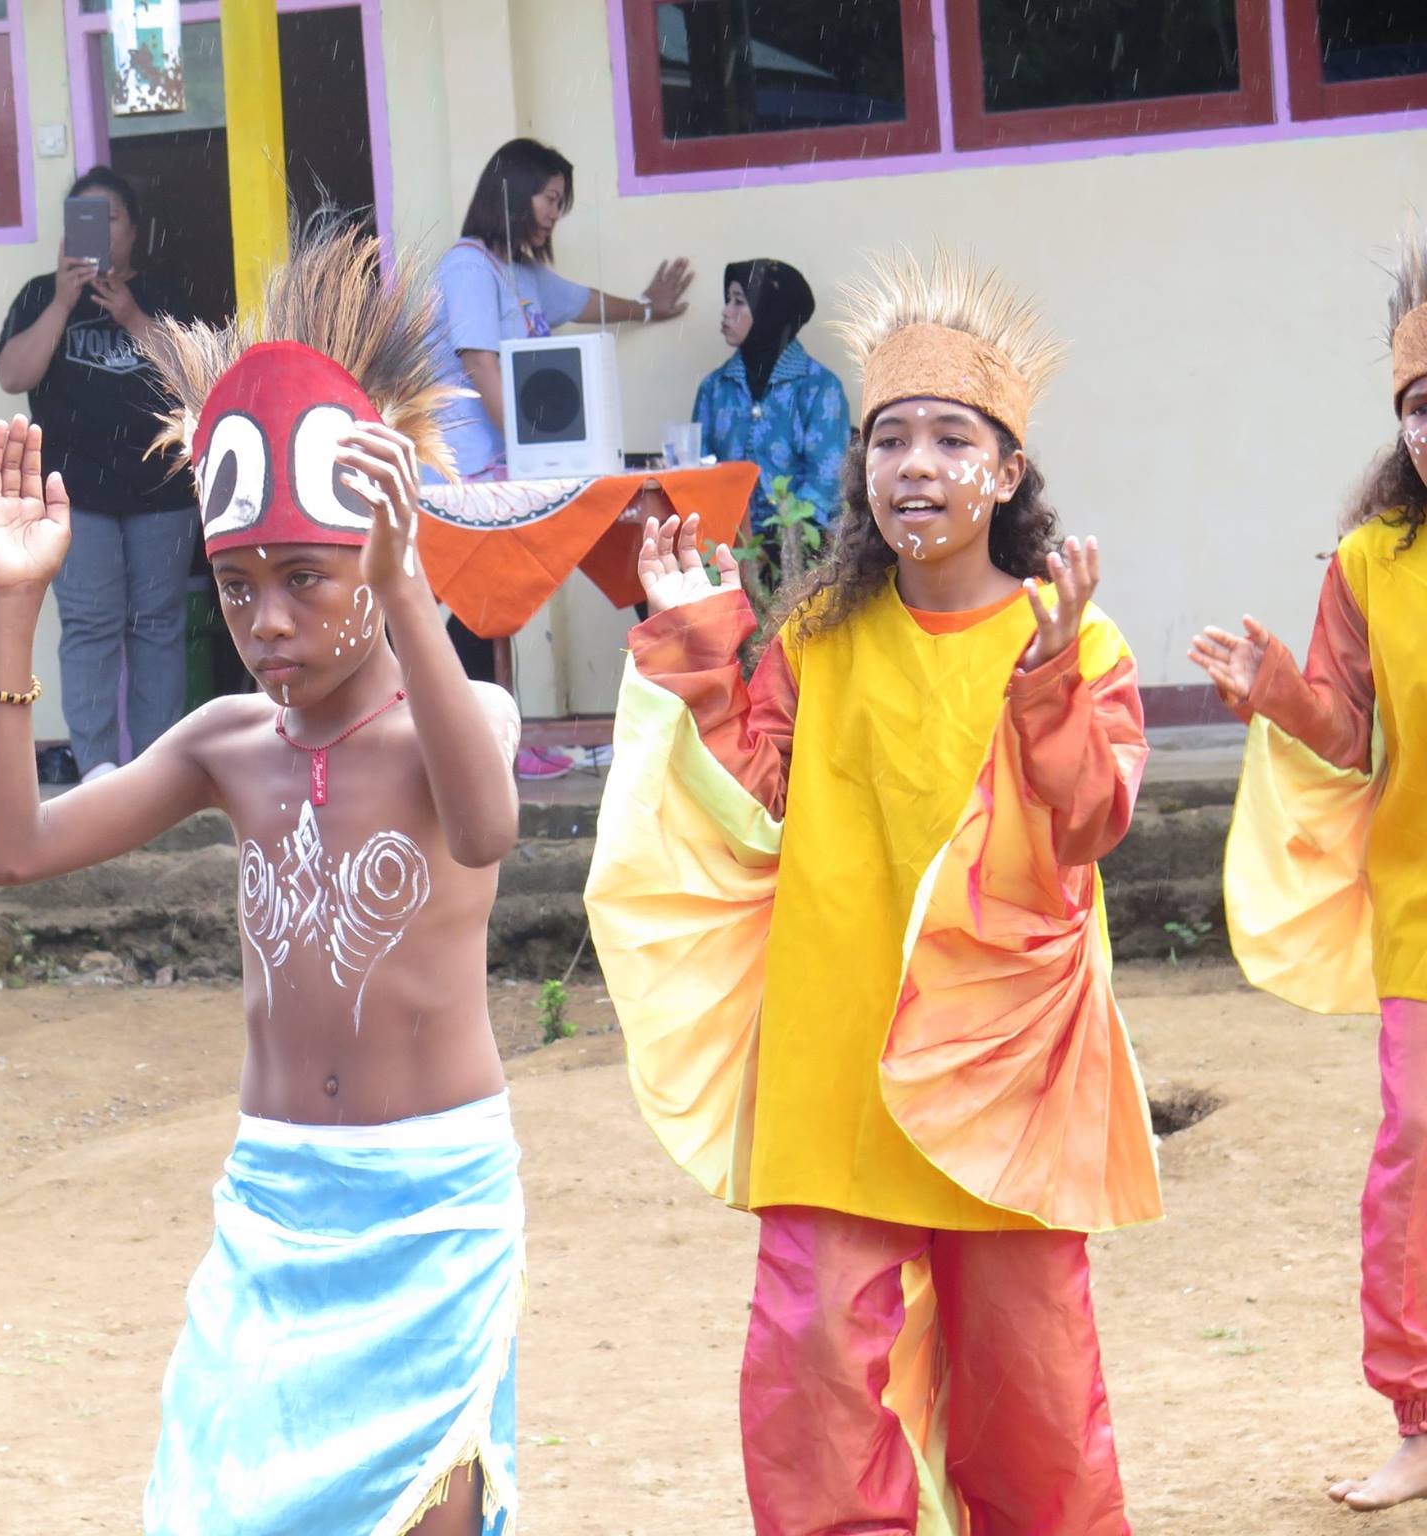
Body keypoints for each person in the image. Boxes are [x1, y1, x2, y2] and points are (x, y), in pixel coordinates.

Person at [0, 223, 527, 1535]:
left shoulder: (455, 728)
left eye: (306, 579)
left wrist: (407, 586)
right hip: (276, 1201)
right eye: (236, 584)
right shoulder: (228, 749)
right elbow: (11, 850)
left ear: (377, 559)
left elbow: (489, 826)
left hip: (433, 1204)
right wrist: (10, 606)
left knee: (429, 1514)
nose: (267, 620)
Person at [585, 250, 1161, 1534]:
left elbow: (1087, 823)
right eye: (886, 437)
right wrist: (693, 638)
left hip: (1005, 1076)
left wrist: (1054, 676)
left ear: (1005, 472)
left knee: (1034, 1405)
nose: (913, 464)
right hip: (830, 1061)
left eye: (949, 437)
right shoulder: (814, 639)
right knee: (811, 1394)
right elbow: (749, 798)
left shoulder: (1074, 640)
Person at [1190, 220, 1427, 1514]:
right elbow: (1346, 726)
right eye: (1423, 406)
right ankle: (1421, 1415)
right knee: (1418, 1148)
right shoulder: (1371, 563)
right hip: (1420, 910)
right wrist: (1280, 690)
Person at [429, 137, 693, 778]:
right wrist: (527, 450)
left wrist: (652, 308)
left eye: (559, 203)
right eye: (549, 199)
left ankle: (490, 737)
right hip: (469, 468)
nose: (553, 214)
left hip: (515, 465)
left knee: (512, 593)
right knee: (486, 602)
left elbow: (585, 301)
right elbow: (479, 363)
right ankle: (482, 741)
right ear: (515, 192)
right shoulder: (468, 266)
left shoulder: (520, 275)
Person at [0, 165, 196, 786]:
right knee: (89, 625)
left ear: (134, 231)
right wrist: (62, 300)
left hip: (162, 491)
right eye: (85, 220)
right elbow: (13, 375)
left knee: (158, 625)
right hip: (72, 493)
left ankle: (160, 768)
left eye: (110, 218)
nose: (100, 231)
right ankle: (99, 767)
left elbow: (197, 381)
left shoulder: (167, 297)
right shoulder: (38, 295)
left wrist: (133, 316)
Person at [691, 259, 850, 562]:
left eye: (739, 302)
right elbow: (698, 473)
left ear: (771, 312)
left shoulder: (819, 388)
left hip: (800, 558)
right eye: (728, 301)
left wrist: (774, 548)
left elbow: (827, 481)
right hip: (724, 552)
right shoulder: (714, 387)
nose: (726, 311)